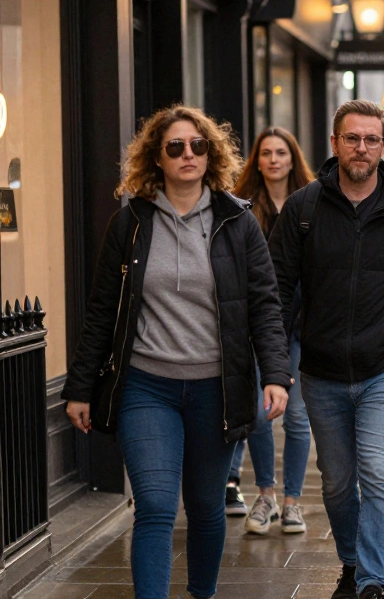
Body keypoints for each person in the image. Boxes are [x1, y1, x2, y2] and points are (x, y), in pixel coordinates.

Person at [62, 106, 292, 599]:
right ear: (157, 158)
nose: (188, 155)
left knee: (207, 507)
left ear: (210, 155)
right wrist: (80, 386)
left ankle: (202, 594)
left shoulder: (238, 221)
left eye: (198, 146)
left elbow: (265, 307)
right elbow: (103, 310)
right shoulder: (131, 224)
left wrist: (275, 374)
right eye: (175, 147)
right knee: (157, 506)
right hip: (146, 386)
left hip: (217, 387)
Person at [269, 100, 384, 599]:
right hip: (321, 371)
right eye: (352, 138)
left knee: (377, 472)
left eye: (372, 140)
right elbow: (277, 288)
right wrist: (275, 363)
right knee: (335, 482)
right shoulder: (303, 209)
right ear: (334, 143)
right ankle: (351, 560)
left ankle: (371, 581)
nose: (362, 148)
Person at [226, 127, 316, 535]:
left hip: (302, 325)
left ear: (293, 159)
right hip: (259, 324)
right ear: (257, 161)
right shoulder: (242, 208)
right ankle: (266, 496)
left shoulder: (311, 204)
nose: (274, 159)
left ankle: (293, 502)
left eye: (282, 152)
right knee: (261, 417)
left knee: (296, 418)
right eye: (266, 153)